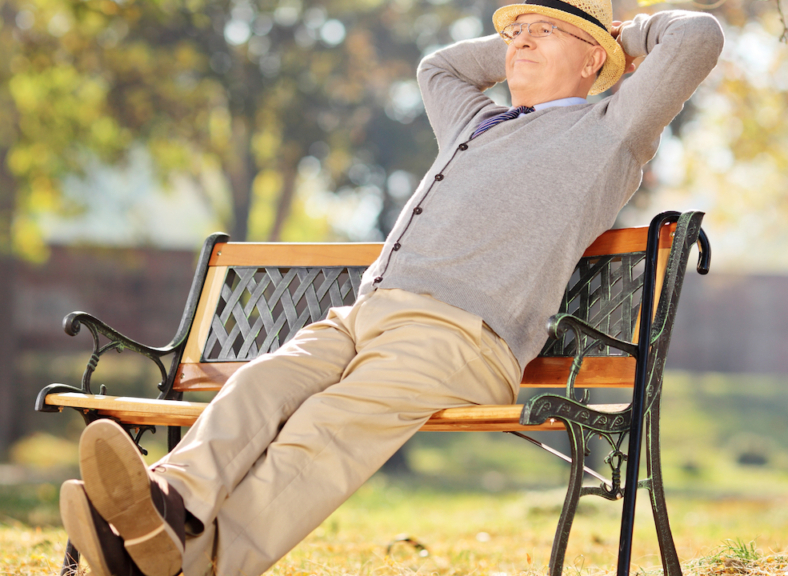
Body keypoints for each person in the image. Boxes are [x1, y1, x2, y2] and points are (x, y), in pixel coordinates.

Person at [58, 0, 724, 574]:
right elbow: (438, 68)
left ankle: (197, 562)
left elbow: (698, 38)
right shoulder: (475, 121)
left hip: (459, 339)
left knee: (324, 428)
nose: (521, 41)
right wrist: (532, 38)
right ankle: (166, 507)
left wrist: (622, 39)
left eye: (544, 31)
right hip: (361, 317)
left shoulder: (609, 132)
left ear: (594, 60)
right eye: (515, 30)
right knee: (260, 384)